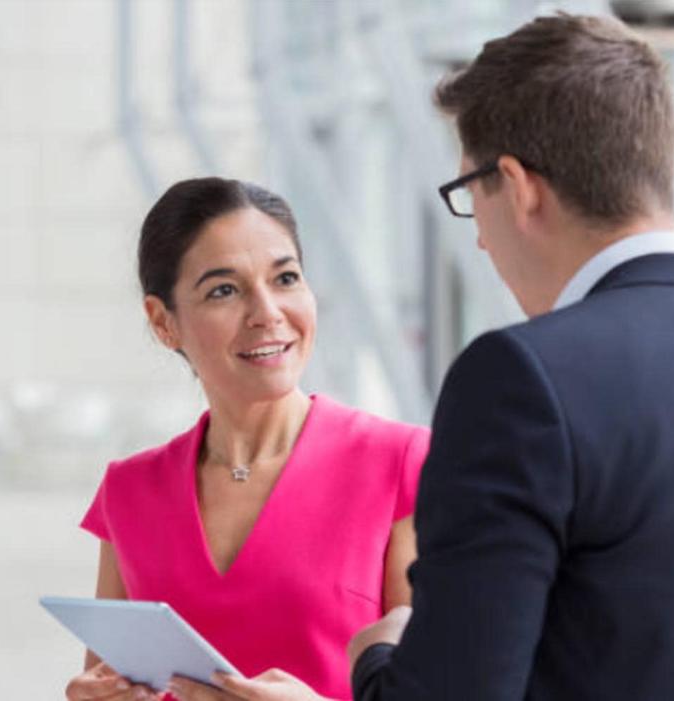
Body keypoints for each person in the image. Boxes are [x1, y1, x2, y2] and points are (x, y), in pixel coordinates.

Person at [348, 13, 674, 701]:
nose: (479, 239)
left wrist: (377, 652)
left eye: (470, 197)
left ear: (519, 184)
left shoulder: (520, 382)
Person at [64, 178, 428, 701]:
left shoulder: (402, 465)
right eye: (224, 290)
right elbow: (110, 681)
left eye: (285, 278)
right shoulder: (130, 491)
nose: (267, 313)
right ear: (164, 322)